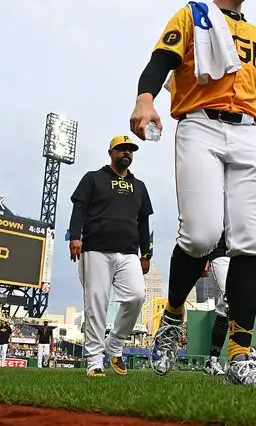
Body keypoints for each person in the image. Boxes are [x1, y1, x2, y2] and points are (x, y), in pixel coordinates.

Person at [129, 0, 256, 388]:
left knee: (249, 242)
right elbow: (161, 61)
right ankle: (173, 316)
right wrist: (146, 99)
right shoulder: (193, 15)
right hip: (200, 123)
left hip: (249, 134)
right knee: (199, 236)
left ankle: (239, 356)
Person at [68, 135, 152, 377]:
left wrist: (146, 253)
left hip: (129, 251)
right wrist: (75, 236)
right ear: (111, 152)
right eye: (121, 149)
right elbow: (79, 208)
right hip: (95, 248)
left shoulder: (140, 186)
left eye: (130, 150)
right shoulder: (94, 178)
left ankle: (114, 344)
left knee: (136, 297)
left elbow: (144, 222)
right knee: (96, 302)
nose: (126, 153)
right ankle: (94, 360)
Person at [202, 235, 256, 376]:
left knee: (224, 308)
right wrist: (203, 257)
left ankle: (212, 362)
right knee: (233, 299)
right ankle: (242, 352)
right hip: (221, 251)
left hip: (243, 252)